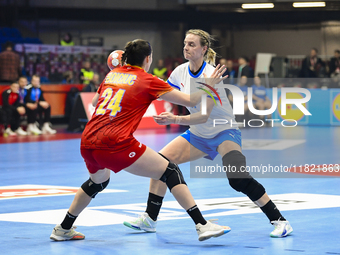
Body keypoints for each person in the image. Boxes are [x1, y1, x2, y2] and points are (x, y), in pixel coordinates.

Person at [50, 39, 230, 242]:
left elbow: (94, 101)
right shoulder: (148, 80)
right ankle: (202, 225)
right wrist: (209, 85)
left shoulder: (112, 74)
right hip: (115, 142)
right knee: (169, 171)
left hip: (88, 141)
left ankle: (63, 228)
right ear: (148, 58)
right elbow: (191, 100)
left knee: (97, 182)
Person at [124, 29, 293, 238]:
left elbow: (203, 115)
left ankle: (280, 221)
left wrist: (174, 119)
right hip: (198, 135)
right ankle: (150, 219)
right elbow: (161, 94)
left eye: (192, 44)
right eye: (185, 44)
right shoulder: (179, 72)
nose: (186, 47)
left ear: (204, 49)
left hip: (224, 131)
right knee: (161, 163)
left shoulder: (212, 76)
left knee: (237, 178)